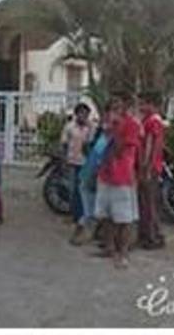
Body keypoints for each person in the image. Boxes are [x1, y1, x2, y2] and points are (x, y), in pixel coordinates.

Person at [94, 92, 142, 269]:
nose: (113, 111)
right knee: (105, 214)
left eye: (117, 107)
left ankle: (123, 253)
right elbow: (98, 147)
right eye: (111, 107)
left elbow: (120, 148)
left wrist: (115, 128)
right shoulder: (108, 124)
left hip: (122, 177)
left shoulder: (131, 124)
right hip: (105, 175)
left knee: (124, 217)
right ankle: (109, 247)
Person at [71, 103, 113, 245]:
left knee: (97, 204)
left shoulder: (112, 135)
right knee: (87, 199)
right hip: (89, 170)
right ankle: (87, 227)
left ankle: (91, 230)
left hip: (101, 173)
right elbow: (88, 147)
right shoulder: (100, 132)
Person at [60, 103, 94, 244]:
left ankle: (82, 216)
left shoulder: (90, 127)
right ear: (76, 114)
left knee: (82, 190)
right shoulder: (69, 127)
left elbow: (91, 144)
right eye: (80, 113)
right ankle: (75, 215)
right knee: (73, 189)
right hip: (72, 161)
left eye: (85, 114)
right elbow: (64, 143)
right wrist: (64, 159)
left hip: (85, 163)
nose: (83, 116)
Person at [137, 90, 166, 249]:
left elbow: (151, 145)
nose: (140, 107)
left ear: (151, 104)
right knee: (145, 202)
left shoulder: (153, 121)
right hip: (150, 165)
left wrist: (146, 166)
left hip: (150, 166)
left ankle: (152, 237)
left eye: (143, 103)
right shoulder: (149, 120)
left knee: (149, 203)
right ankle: (147, 234)